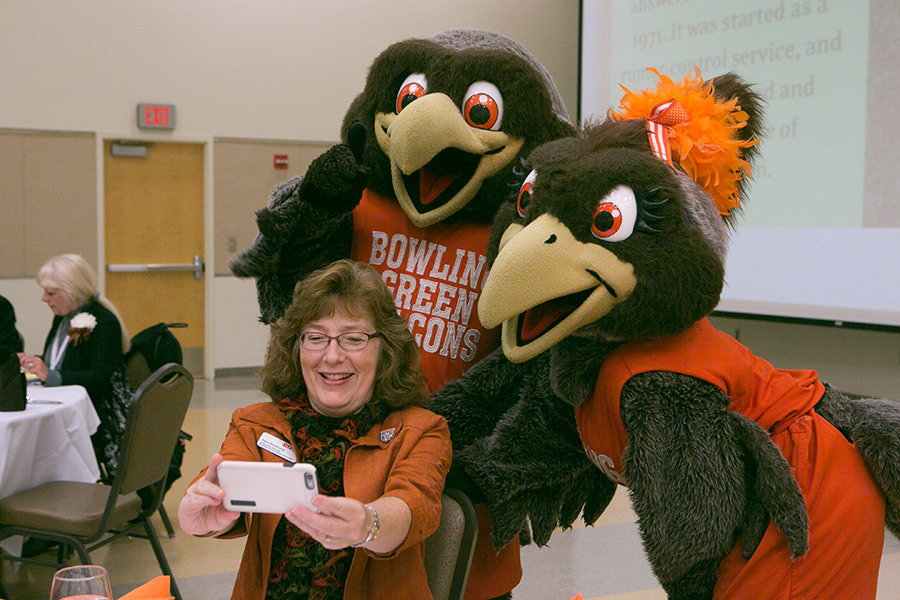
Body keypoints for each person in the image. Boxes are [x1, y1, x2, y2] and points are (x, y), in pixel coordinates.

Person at [178, 259, 452, 600]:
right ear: (295, 348)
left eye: (353, 338)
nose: (332, 356)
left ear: (386, 350)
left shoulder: (421, 431)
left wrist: (367, 524)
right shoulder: (255, 424)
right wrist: (206, 515)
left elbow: (415, 507)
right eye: (316, 338)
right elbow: (223, 478)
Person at [17, 254, 132, 476]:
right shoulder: (62, 317)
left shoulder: (104, 322)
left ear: (73, 291)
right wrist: (35, 363)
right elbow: (61, 361)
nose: (43, 299)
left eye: (51, 293)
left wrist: (52, 375)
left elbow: (100, 379)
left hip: (99, 413)